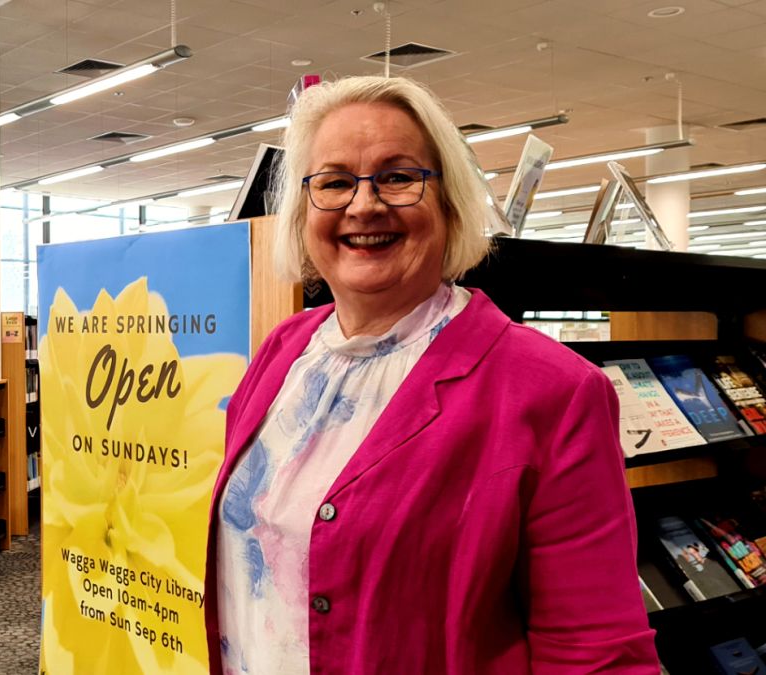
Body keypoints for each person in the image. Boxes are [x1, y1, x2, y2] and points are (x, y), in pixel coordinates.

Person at [203, 76, 659, 674]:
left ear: (448, 201)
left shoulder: (553, 391)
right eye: (335, 182)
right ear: (302, 211)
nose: (363, 205)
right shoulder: (283, 351)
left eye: (397, 177)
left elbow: (596, 651)